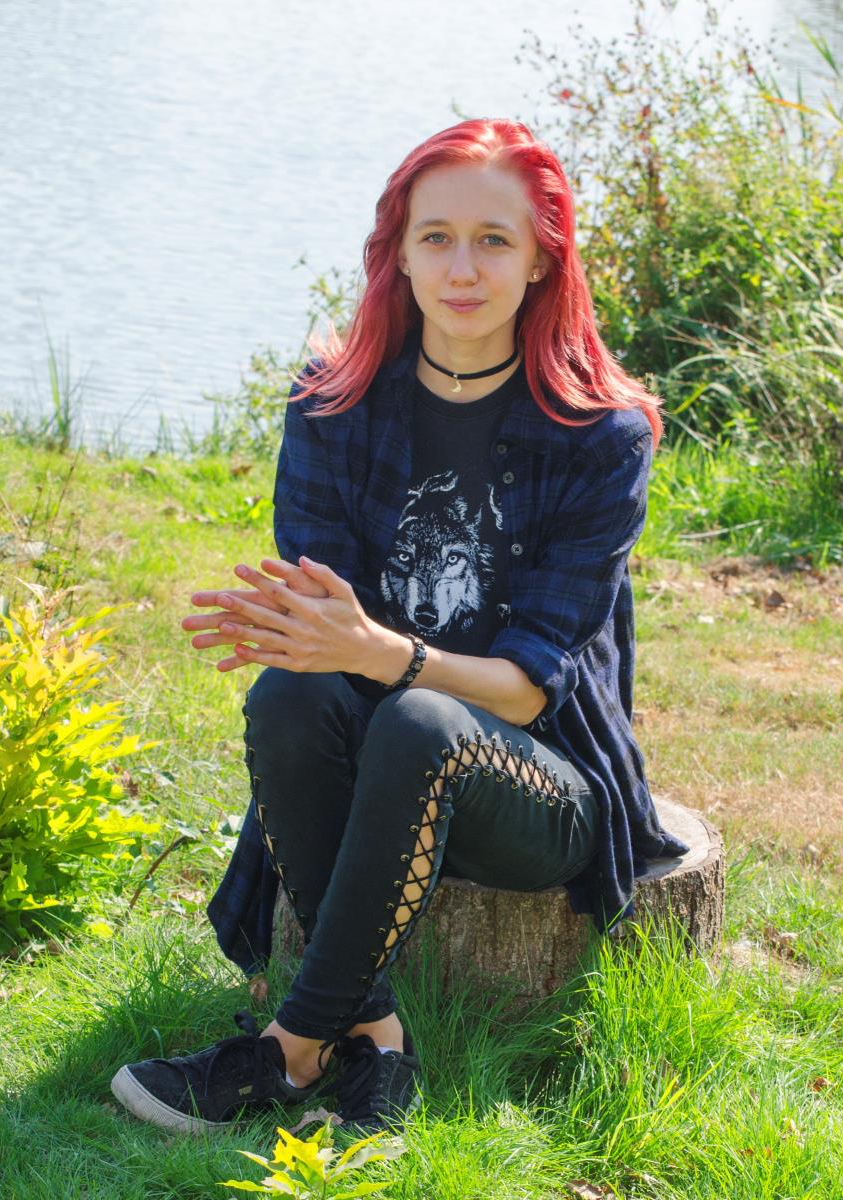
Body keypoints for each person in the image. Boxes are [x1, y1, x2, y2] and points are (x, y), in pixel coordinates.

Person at [110, 117, 689, 1137]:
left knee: (422, 718)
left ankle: (286, 1051)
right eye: (436, 238)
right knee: (287, 695)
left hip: (535, 787)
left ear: (541, 257)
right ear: (399, 253)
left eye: (493, 240)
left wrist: (382, 653)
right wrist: (301, 638)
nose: (462, 269)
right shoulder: (332, 406)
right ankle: (378, 1041)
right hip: (370, 772)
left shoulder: (602, 436)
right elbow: (319, 642)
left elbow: (528, 689)